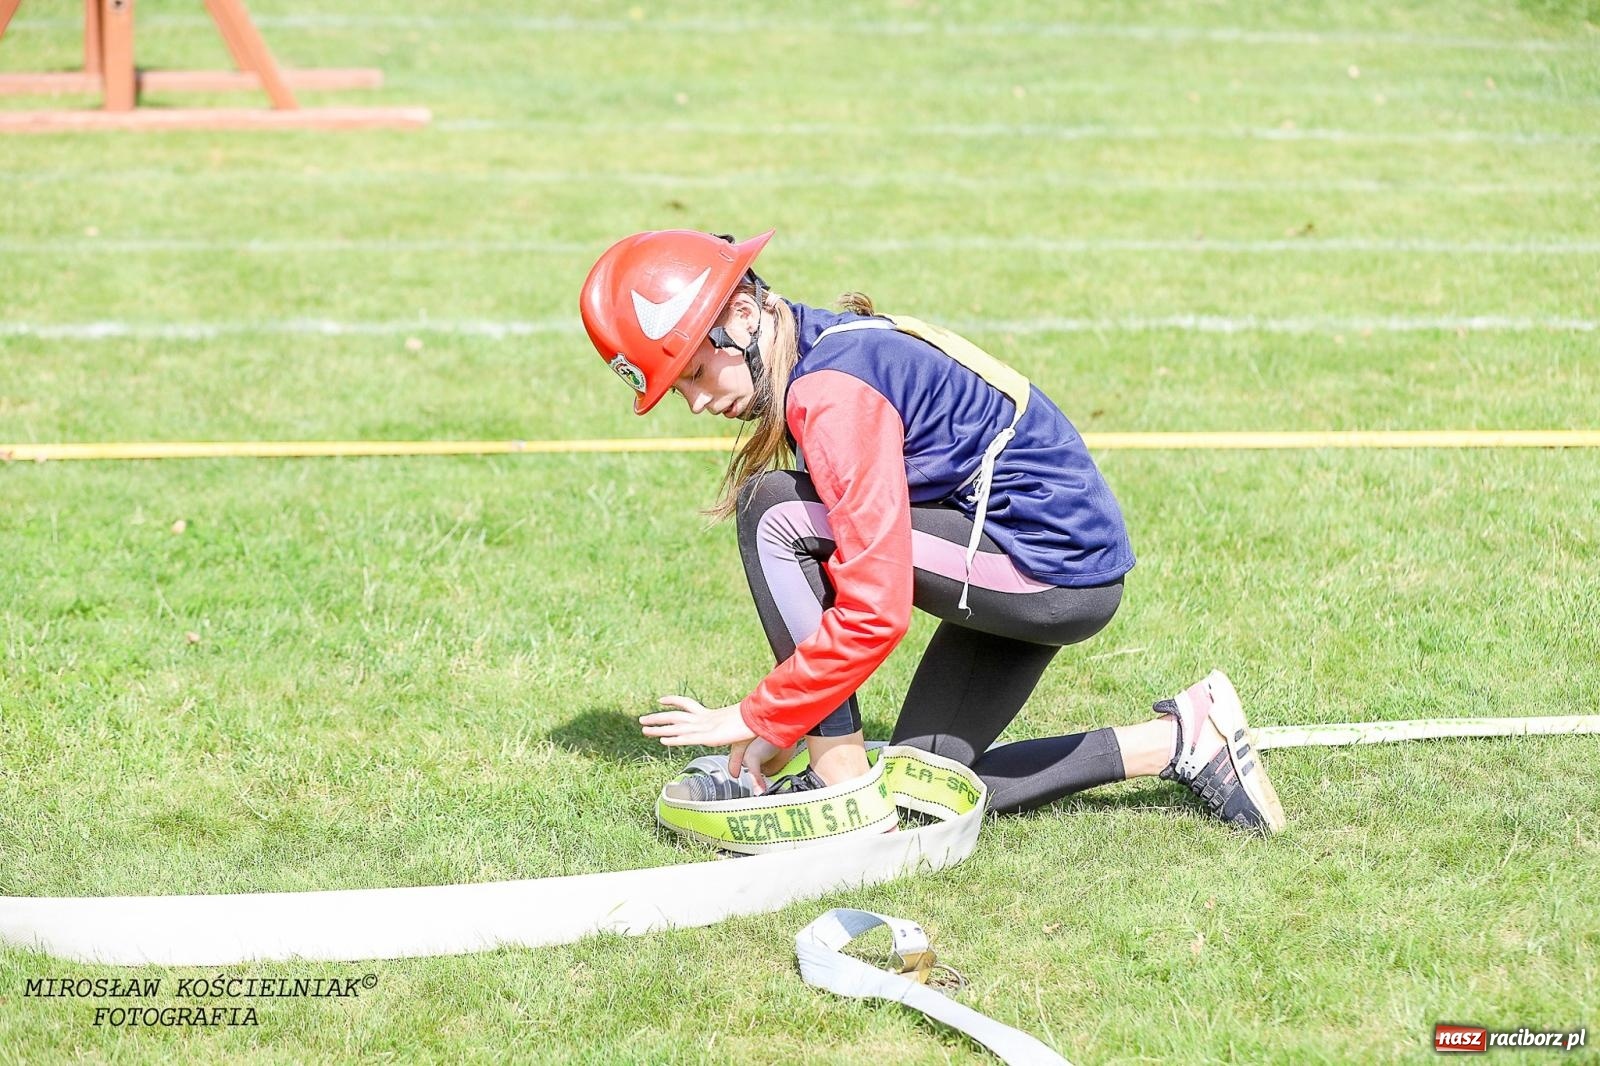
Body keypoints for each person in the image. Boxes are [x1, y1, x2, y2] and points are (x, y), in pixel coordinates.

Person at [579, 229, 1284, 831]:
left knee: (774, 510)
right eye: (678, 390)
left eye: (695, 372)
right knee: (921, 797)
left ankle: (840, 791)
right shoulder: (817, 351)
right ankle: (1183, 739)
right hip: (1037, 565)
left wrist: (762, 716)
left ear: (742, 315)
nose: (698, 402)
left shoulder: (830, 390)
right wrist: (791, 723)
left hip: (1042, 566)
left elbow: (874, 607)